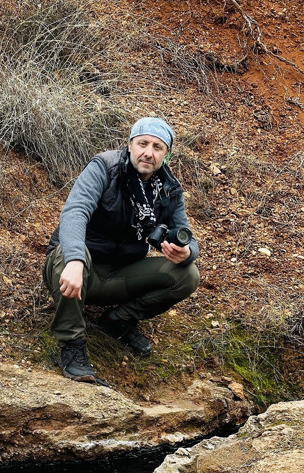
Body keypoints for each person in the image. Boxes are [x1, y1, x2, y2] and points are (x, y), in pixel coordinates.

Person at [43, 117, 200, 383]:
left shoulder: (169, 189)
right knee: (64, 254)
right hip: (79, 272)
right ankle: (72, 347)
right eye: (142, 143)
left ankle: (118, 320)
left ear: (167, 154)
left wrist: (187, 252)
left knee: (188, 274)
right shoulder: (104, 167)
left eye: (157, 147)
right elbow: (75, 212)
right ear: (130, 145)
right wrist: (75, 260)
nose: (148, 152)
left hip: (121, 273)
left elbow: (188, 236)